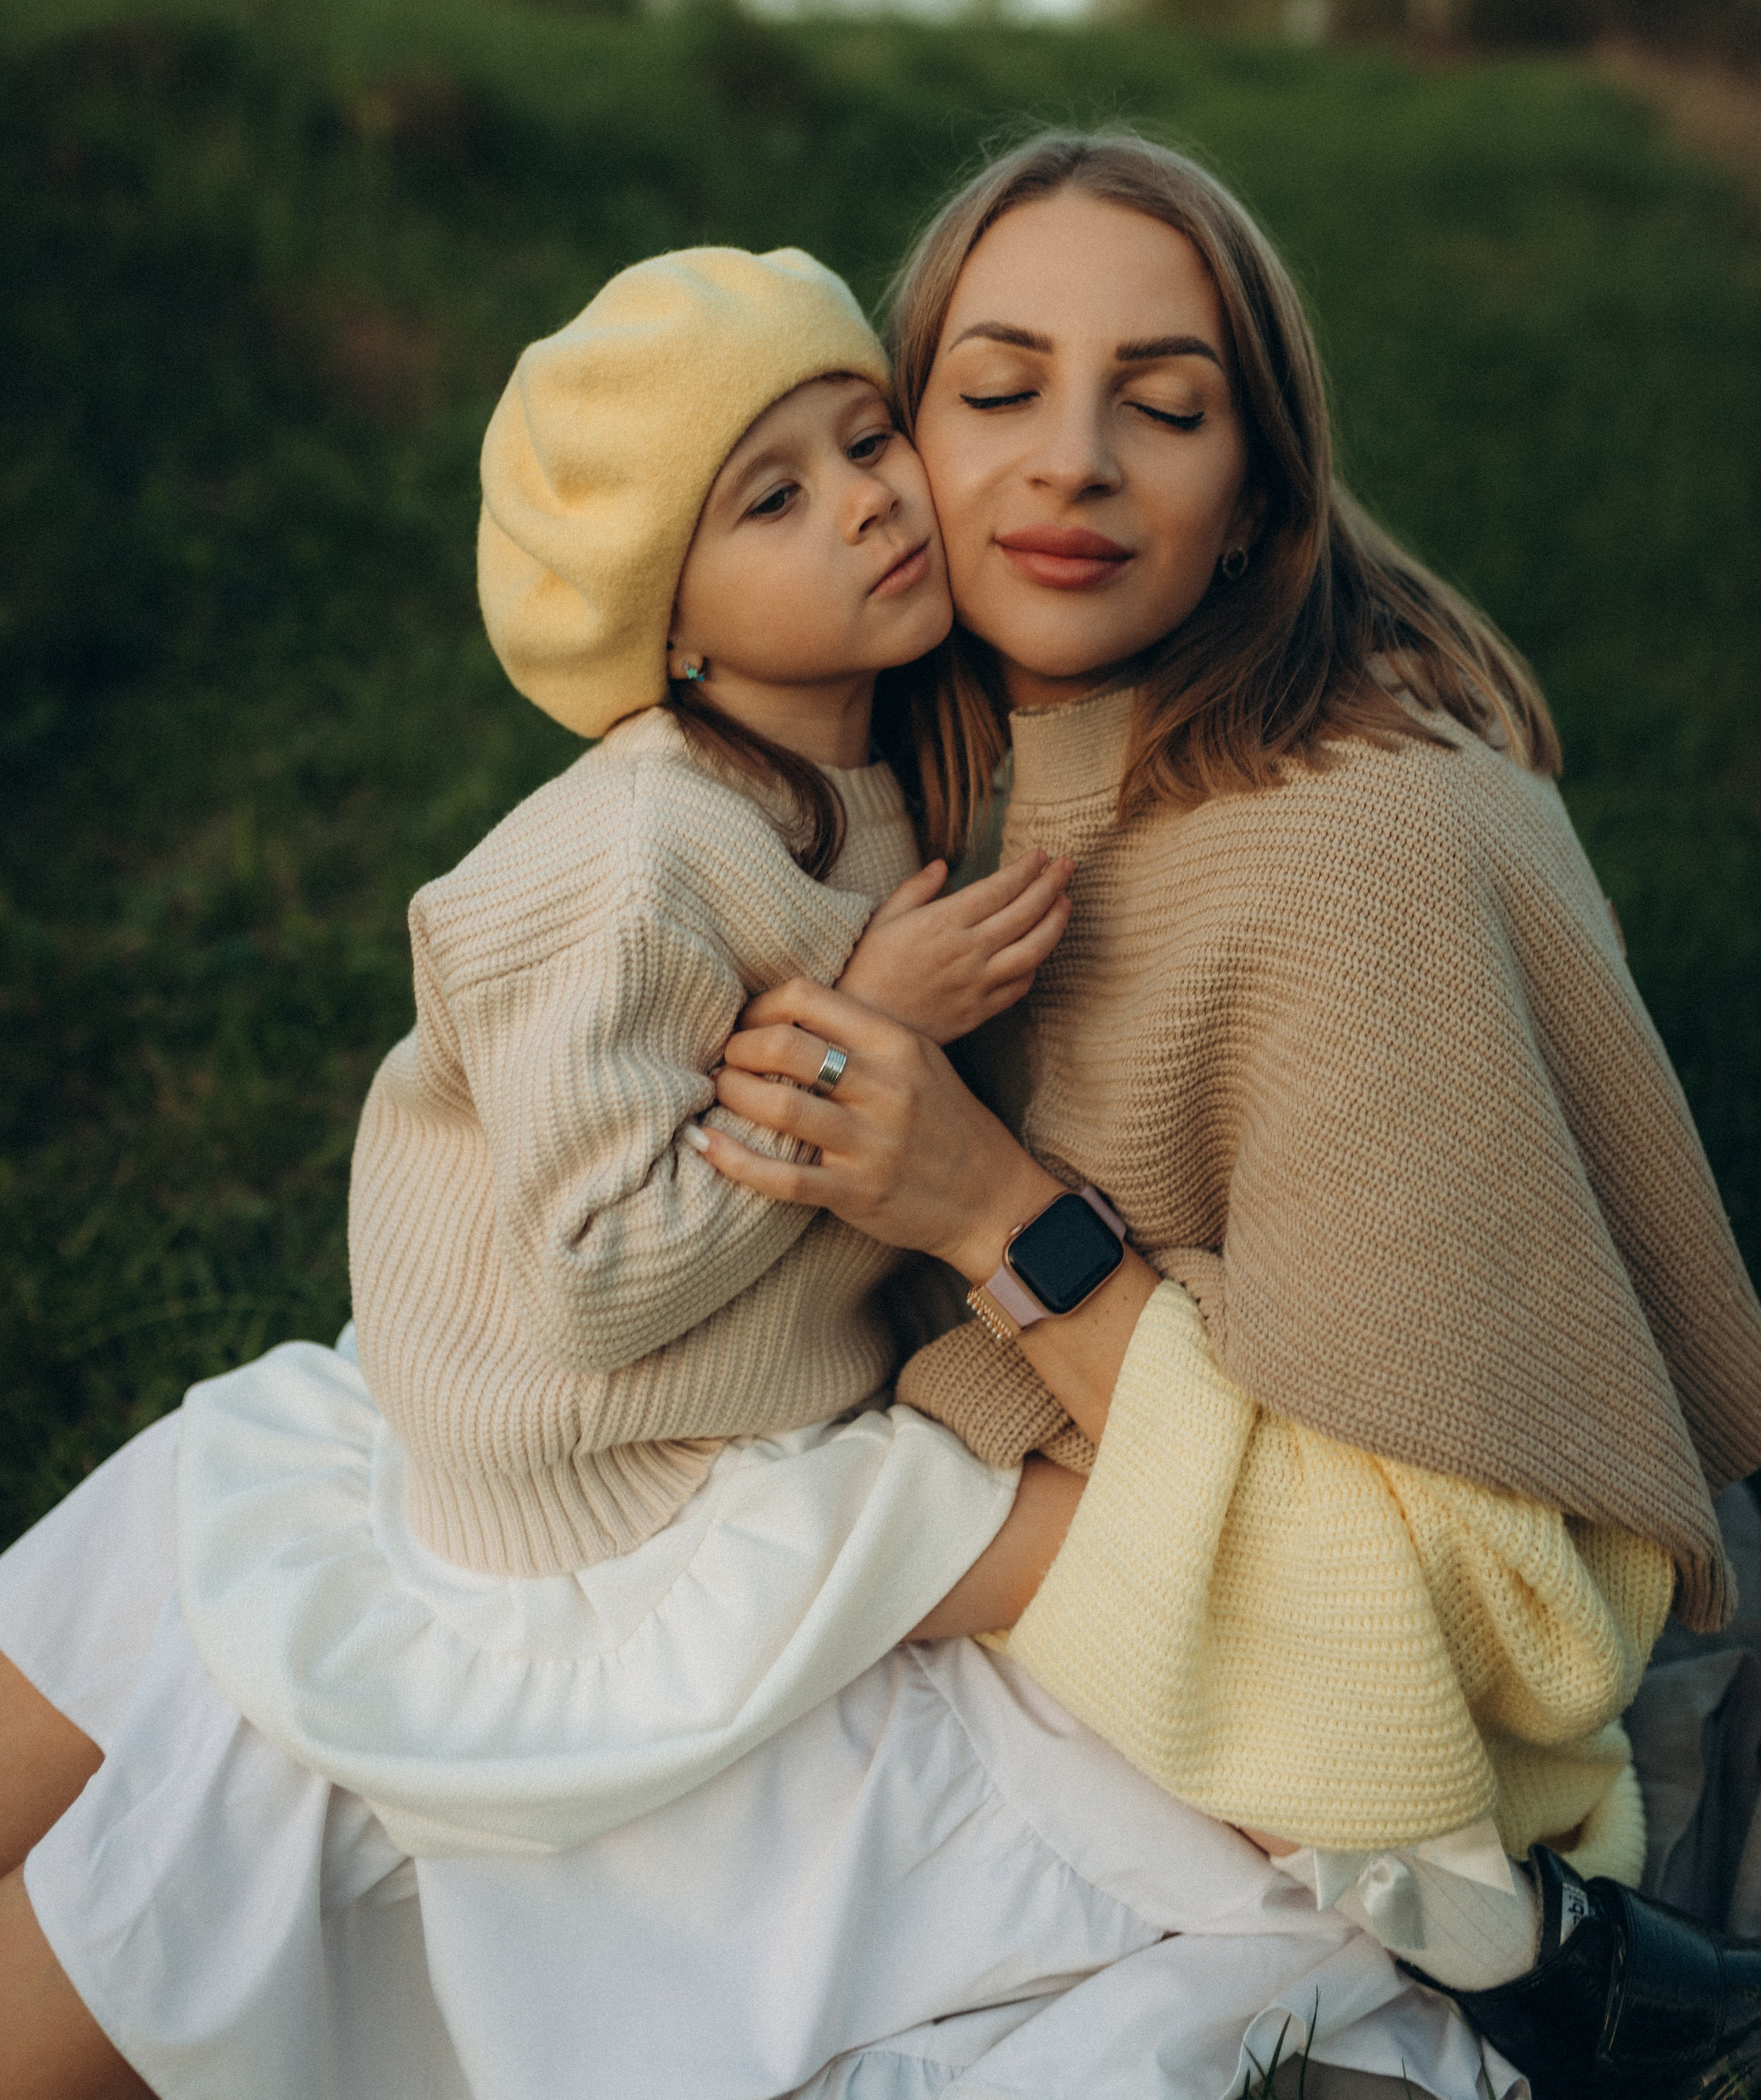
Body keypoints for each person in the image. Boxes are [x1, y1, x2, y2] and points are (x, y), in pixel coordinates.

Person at [0, 233, 1501, 2100]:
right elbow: (600, 1274)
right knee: (1031, 1544)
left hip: (744, 1400)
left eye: (867, 441)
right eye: (774, 499)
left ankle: (1377, 1821)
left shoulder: (869, 779)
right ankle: (1400, 1851)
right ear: (676, 622)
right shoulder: (624, 860)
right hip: (615, 1467)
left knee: (1064, 1554)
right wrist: (873, 1027)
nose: (872, 505)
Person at [691, 131, 1761, 2100]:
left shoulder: (1362, 849)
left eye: (1161, 407)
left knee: (281, 1794)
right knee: (218, 1557)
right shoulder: (949, 777)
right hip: (1036, 1596)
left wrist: (993, 1207)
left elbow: (1493, 1629)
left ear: (1257, 483)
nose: (1072, 460)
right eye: (998, 391)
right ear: (894, 451)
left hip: (1327, 1750)